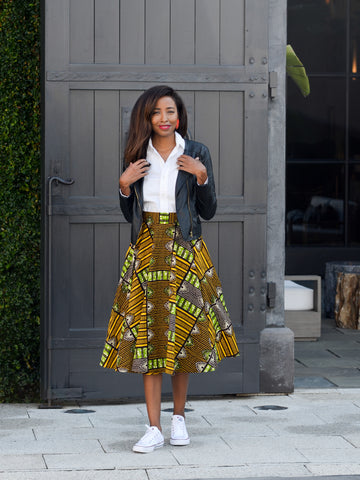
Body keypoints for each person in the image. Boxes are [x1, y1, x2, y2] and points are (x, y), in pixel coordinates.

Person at [100, 85, 239, 453]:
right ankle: (153, 427)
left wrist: (202, 176)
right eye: (157, 113)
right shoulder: (136, 155)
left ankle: (178, 419)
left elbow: (207, 211)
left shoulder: (195, 153)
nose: (164, 119)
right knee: (149, 340)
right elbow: (129, 213)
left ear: (179, 116)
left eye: (170, 112)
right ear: (146, 118)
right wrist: (124, 186)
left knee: (184, 337)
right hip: (147, 248)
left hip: (184, 247)